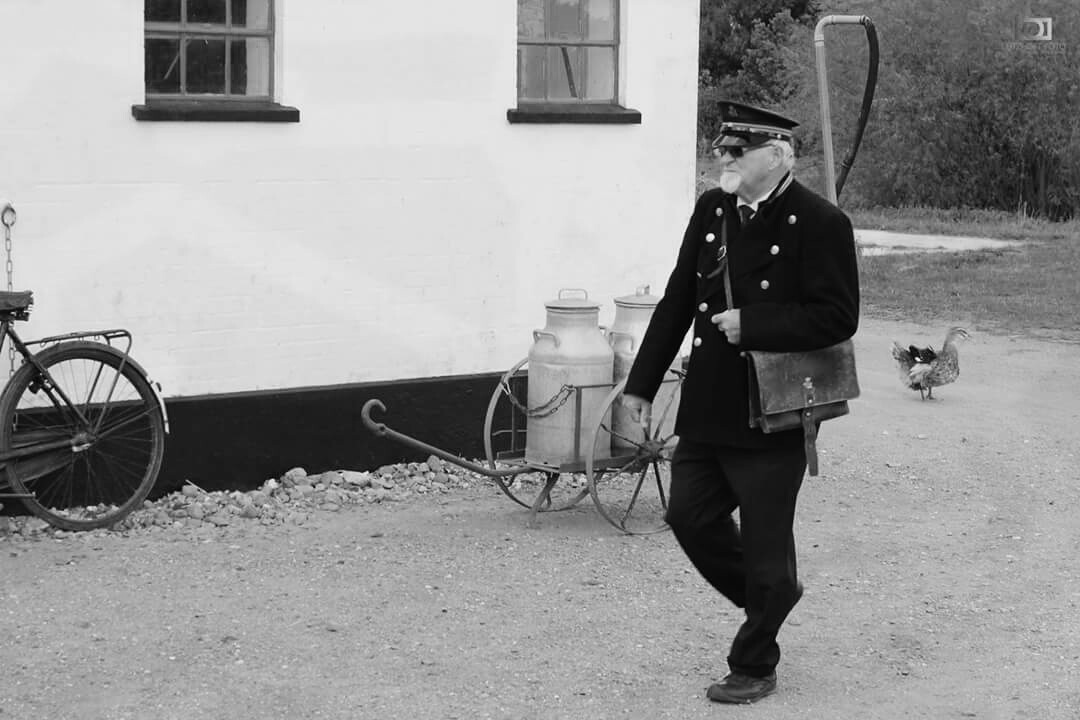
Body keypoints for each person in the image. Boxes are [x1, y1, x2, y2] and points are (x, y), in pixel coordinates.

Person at [622, 100, 860, 704]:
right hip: (708, 405)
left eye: (736, 150)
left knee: (765, 544)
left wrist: (753, 323)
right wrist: (642, 384)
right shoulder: (712, 209)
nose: (722, 158)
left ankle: (754, 661)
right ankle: (771, 597)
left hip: (772, 413)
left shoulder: (821, 222)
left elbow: (838, 317)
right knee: (689, 518)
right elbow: (679, 299)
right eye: (720, 148)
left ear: (776, 156)